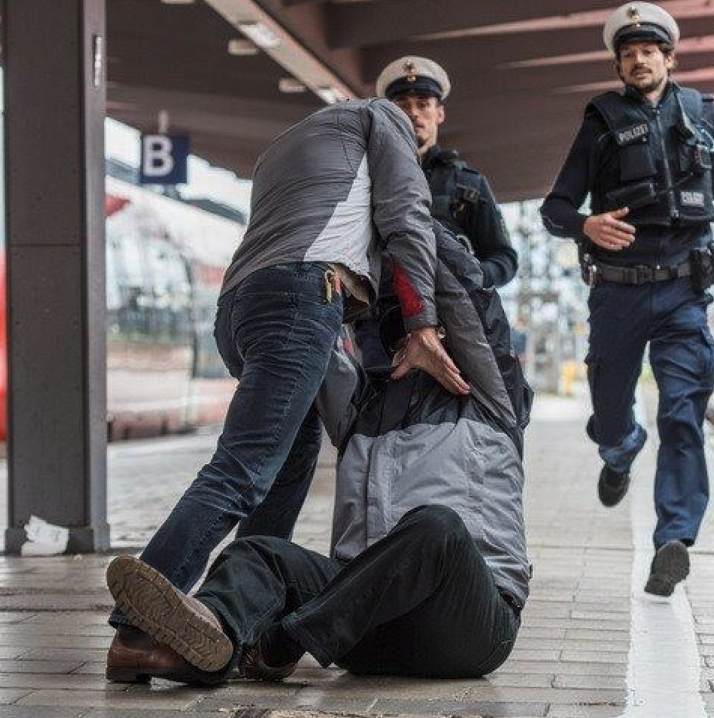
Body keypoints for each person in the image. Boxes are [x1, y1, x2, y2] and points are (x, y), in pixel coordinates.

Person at [106, 98, 471, 681]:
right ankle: (134, 627)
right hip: (303, 296)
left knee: (286, 467)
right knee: (244, 468)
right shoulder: (384, 119)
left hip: (242, 306)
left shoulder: (286, 146)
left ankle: (237, 619)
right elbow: (407, 217)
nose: (417, 116)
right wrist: (424, 324)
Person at [104, 224, 532, 684]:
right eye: (393, 327)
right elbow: (310, 326)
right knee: (258, 553)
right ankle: (205, 640)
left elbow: (470, 295)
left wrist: (390, 212)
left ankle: (279, 642)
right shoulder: (360, 409)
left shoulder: (492, 397)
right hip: (364, 628)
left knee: (438, 527)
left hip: (467, 624)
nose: (402, 336)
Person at [540, 2, 714, 596]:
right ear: (619, 65)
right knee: (612, 410)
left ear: (669, 58)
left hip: (684, 292)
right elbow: (556, 206)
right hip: (618, 292)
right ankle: (619, 450)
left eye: (648, 51)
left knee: (683, 412)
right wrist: (585, 225)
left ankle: (674, 538)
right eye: (628, 53)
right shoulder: (601, 120)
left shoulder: (700, 113)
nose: (638, 60)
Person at [376, 56, 518, 289]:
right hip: (384, 311)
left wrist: (473, 276)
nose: (413, 113)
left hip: (451, 312)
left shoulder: (468, 185)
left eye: (423, 104)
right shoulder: (370, 180)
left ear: (439, 113)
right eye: (402, 105)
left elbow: (504, 258)